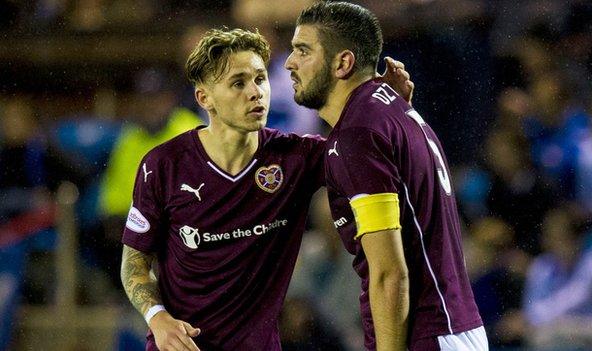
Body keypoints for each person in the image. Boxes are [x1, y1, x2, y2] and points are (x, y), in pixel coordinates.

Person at [119, 28, 412, 351]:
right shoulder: (163, 165)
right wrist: (157, 317)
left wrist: (385, 112)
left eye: (260, 79)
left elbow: (365, 154)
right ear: (205, 98)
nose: (256, 92)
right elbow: (134, 264)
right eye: (238, 83)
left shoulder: (297, 158)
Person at [285, 2, 487, 350]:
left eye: (303, 51)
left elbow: (389, 272)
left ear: (343, 63)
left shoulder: (359, 134)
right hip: (451, 325)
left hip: (426, 334)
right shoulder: (393, 109)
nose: (290, 62)